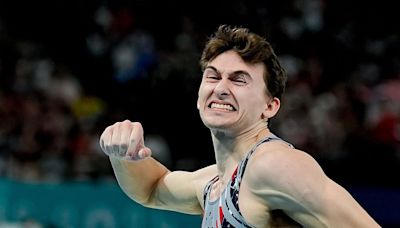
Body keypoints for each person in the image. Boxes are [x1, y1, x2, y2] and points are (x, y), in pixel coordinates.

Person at [99, 24, 380, 227]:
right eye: (213, 77)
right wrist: (123, 156)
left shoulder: (274, 165)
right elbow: (151, 189)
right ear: (199, 96)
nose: (221, 88)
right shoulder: (212, 182)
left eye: (238, 80)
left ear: (270, 106)